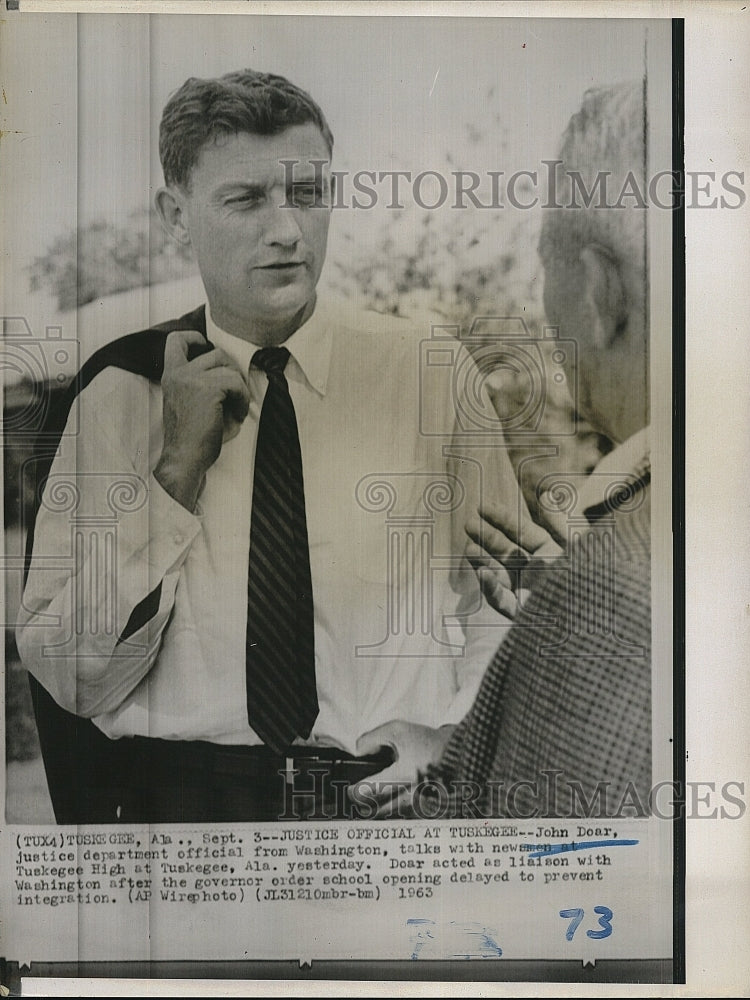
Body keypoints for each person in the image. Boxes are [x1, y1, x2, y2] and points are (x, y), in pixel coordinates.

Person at [17, 70, 549, 823]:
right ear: (177, 217)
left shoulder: (425, 372)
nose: (287, 231)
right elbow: (71, 676)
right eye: (245, 199)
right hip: (184, 817)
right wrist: (173, 476)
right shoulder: (119, 394)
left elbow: (504, 597)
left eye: (306, 194)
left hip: (383, 800)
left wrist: (456, 731)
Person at [357, 79, 652, 820]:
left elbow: (551, 878)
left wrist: (570, 626)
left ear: (600, 291)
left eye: (544, 275)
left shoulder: (614, 577)